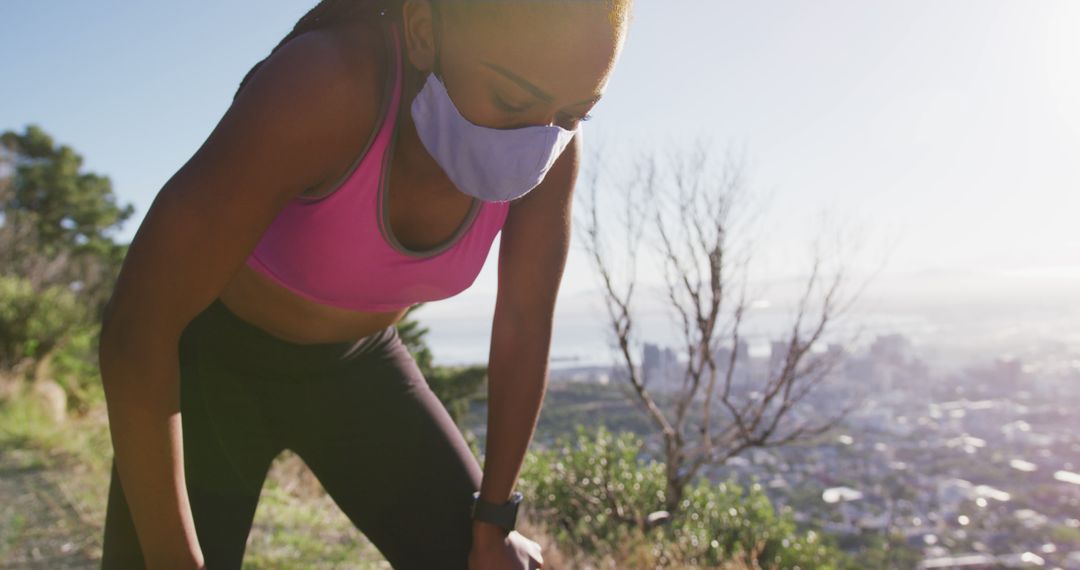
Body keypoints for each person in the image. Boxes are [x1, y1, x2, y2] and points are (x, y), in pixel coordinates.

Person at [96, 0, 631, 568]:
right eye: (510, 100)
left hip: (358, 369)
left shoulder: (551, 149)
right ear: (424, 30)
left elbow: (524, 324)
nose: (537, 139)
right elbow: (139, 327)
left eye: (576, 113)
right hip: (212, 368)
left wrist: (494, 521)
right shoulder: (327, 85)